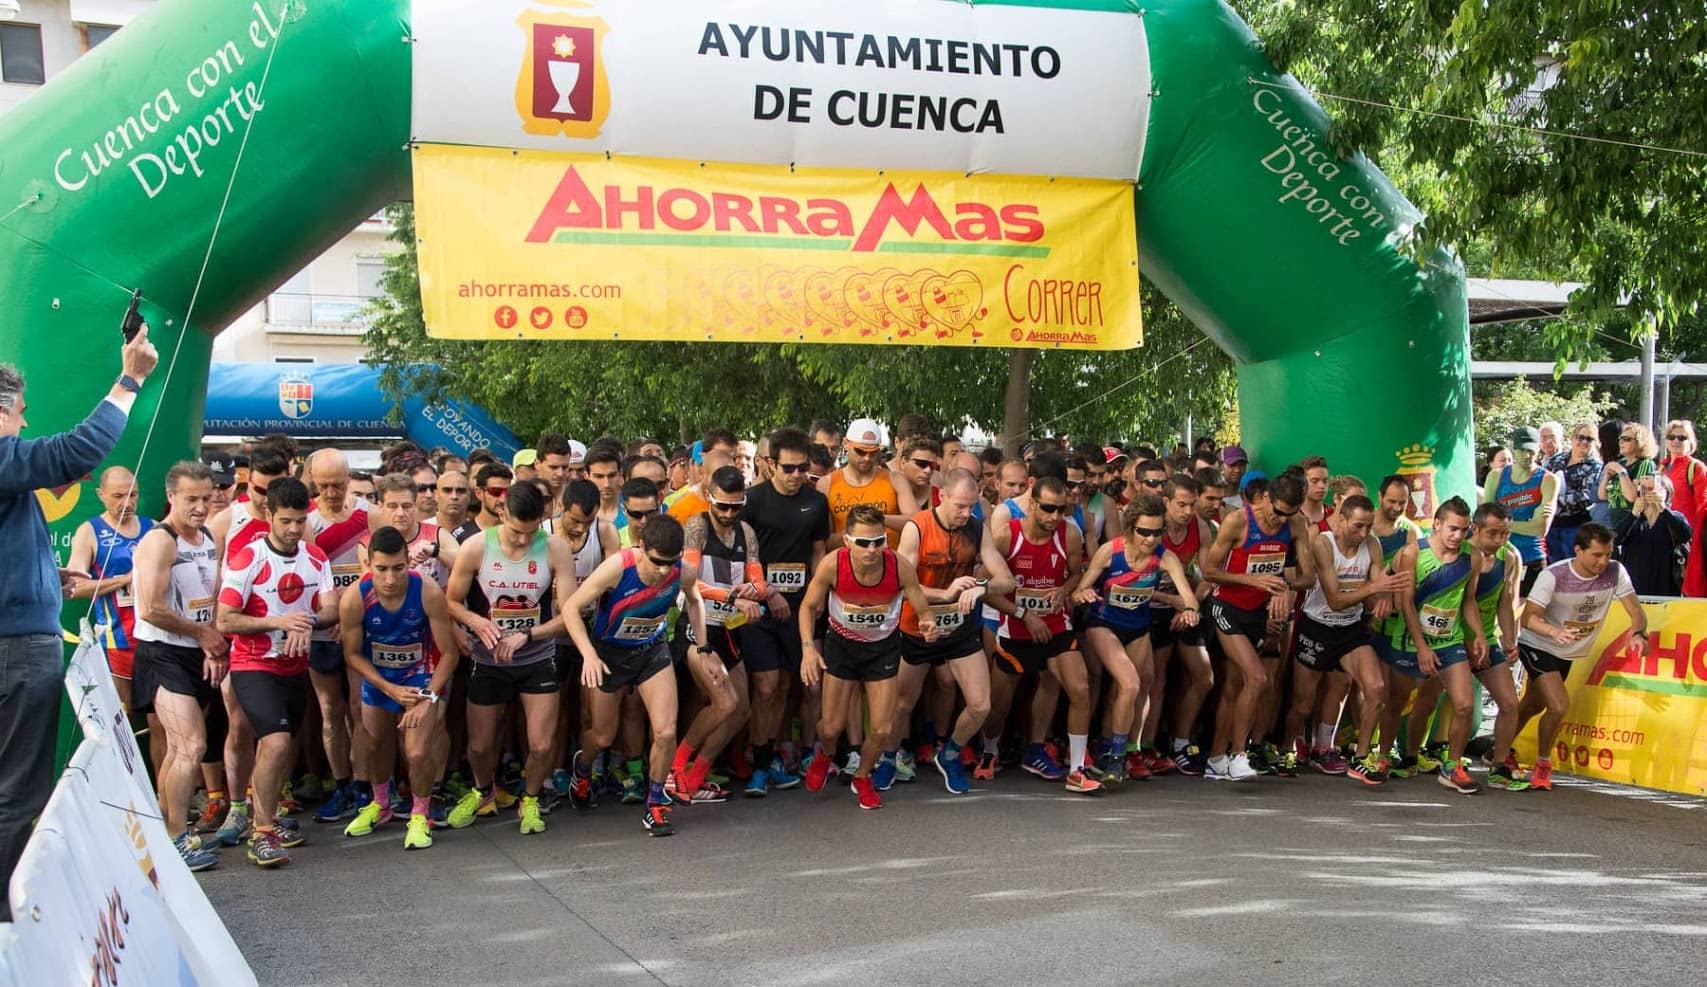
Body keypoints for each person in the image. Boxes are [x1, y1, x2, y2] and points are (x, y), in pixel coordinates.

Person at [0, 327, 157, 916]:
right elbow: (75, 452)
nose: (23, 426)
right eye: (20, 416)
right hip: (13, 646)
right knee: (18, 791)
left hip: (15, 633)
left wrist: (49, 576)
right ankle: (11, 925)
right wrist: (130, 379)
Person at [216, 477, 339, 867]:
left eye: (300, 521)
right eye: (285, 520)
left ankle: (265, 812)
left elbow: (332, 611)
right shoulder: (247, 558)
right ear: (268, 514)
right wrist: (278, 622)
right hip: (253, 664)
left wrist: (305, 623)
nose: (292, 529)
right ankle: (262, 832)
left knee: (284, 746)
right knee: (276, 741)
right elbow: (225, 620)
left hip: (295, 666)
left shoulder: (316, 558)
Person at [443, 482, 576, 835]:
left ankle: (530, 799)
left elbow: (570, 614)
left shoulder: (554, 548)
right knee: (481, 744)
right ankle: (482, 791)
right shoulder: (475, 547)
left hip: (536, 655)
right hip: (489, 660)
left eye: (530, 532)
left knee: (542, 742)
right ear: (502, 513)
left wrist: (528, 634)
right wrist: (474, 621)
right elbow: (451, 601)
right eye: (517, 531)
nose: (522, 540)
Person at [565, 514, 710, 836]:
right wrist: (588, 653)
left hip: (650, 651)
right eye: (657, 561)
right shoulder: (619, 567)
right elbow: (572, 607)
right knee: (602, 735)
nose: (663, 570)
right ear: (641, 546)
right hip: (608, 655)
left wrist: (704, 648)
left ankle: (655, 804)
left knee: (666, 733)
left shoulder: (681, 570)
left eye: (669, 563)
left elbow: (696, 601)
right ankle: (583, 769)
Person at [798, 505, 940, 810]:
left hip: (882, 649)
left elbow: (921, 604)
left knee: (882, 728)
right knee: (831, 727)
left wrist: (928, 621)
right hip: (843, 647)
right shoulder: (832, 564)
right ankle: (825, 754)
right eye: (864, 543)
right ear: (847, 541)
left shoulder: (899, 566)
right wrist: (809, 649)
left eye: (879, 542)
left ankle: (862, 776)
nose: (872, 549)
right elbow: (808, 607)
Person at [338, 526, 462, 850]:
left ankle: (420, 815)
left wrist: (428, 697)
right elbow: (351, 654)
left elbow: (449, 654)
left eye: (398, 568)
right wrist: (386, 688)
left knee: (418, 751)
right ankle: (381, 804)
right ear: (369, 565)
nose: (390, 579)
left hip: (420, 677)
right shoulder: (355, 597)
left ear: (409, 562)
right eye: (381, 569)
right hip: (379, 679)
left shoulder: (427, 591)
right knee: (376, 742)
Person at [891, 469, 1013, 794]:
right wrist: (944, 594)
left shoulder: (976, 527)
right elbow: (902, 584)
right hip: (918, 624)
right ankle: (888, 758)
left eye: (971, 506)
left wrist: (981, 587)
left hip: (957, 629)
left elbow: (1007, 580)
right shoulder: (917, 527)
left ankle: (951, 752)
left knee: (980, 705)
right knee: (903, 703)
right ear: (941, 496)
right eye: (960, 506)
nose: (966, 514)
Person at [130, 461, 226, 871]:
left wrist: (211, 641)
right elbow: (151, 608)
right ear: (171, 497)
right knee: (191, 746)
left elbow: (210, 597)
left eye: (206, 498)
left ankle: (168, 832)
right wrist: (203, 635)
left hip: (195, 652)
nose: (202, 507)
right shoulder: (160, 540)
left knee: (178, 748)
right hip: (162, 652)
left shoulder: (205, 537)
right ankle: (175, 837)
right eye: (192, 499)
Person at [985, 476, 1104, 794]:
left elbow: (1075, 574)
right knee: (999, 705)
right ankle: (990, 749)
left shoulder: (1070, 534)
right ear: (1032, 504)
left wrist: (1063, 590)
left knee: (1079, 687)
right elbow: (986, 591)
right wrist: (1024, 614)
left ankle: (1076, 769)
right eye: (1048, 509)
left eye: (1061, 510)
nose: (1054, 517)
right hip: (1016, 629)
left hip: (1056, 627)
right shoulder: (1006, 536)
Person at [1509, 524, 1647, 791]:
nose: (1603, 561)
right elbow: (1528, 618)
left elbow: (1637, 612)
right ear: (1578, 550)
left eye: (1607, 554)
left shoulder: (1615, 571)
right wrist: (1554, 631)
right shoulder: (1554, 575)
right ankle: (1543, 763)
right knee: (1559, 705)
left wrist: (1639, 633)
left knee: (1532, 705)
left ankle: (1498, 753)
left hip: (1566, 651)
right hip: (1538, 644)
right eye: (1596, 555)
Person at [1074, 495, 1200, 783]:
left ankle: (1108, 749)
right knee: (1130, 684)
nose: (1150, 539)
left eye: (1157, 532)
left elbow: (1188, 596)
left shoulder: (1164, 557)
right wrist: (1081, 594)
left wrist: (1191, 611)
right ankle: (1118, 757)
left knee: (1127, 691)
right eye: (1144, 532)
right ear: (1131, 528)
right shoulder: (1110, 551)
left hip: (1138, 628)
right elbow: (1079, 590)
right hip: (1104, 624)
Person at [1202, 473, 1317, 781]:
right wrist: (1252, 580)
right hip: (1226, 607)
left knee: (1235, 686)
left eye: (1289, 514)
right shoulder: (1238, 521)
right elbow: (1209, 571)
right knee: (1257, 677)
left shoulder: (1296, 526)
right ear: (1265, 497)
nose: (1280, 519)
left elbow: (1309, 577)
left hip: (1259, 613)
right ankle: (1240, 753)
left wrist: (1282, 585)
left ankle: (1215, 758)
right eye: (1277, 510)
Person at [1286, 495, 1406, 784]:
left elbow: (1378, 581)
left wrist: (1384, 596)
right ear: (1341, 520)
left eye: (1368, 526)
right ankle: (1283, 748)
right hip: (1317, 625)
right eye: (1357, 526)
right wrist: (1373, 589)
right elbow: (1336, 600)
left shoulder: (1372, 544)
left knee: (1375, 687)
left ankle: (1360, 757)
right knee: (1303, 702)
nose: (1363, 533)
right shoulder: (1323, 544)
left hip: (1351, 629)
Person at [738, 427, 829, 796]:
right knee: (766, 686)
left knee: (790, 685)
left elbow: (819, 551)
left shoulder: (815, 502)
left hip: (799, 608)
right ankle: (759, 766)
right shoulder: (752, 500)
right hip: (758, 606)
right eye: (788, 468)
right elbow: (743, 555)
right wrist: (766, 590)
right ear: (770, 464)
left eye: (802, 468)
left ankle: (776, 754)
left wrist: (816, 597)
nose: (796, 476)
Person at [673, 466, 762, 803]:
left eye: (735, 507)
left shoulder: (746, 533)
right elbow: (689, 581)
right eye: (721, 506)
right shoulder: (697, 526)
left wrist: (754, 593)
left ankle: (693, 778)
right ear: (709, 499)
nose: (727, 514)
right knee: (724, 703)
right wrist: (731, 596)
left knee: (740, 711)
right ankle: (675, 769)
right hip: (698, 625)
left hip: (728, 628)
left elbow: (758, 578)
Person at [66, 466, 153, 710]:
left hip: (155, 638)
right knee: (120, 718)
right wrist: (125, 580)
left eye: (133, 495)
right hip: (117, 641)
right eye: (118, 496)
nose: (127, 503)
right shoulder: (90, 531)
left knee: (161, 722)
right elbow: (75, 587)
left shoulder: (153, 528)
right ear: (100, 494)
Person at [1481, 427, 1557, 595]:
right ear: (1514, 448)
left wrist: (1499, 526)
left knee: (1526, 612)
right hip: (1499, 554)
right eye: (1522, 450)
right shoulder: (1496, 476)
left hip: (1532, 556)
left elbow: (1540, 528)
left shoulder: (1548, 480)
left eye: (1530, 450)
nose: (1526, 455)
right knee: (1495, 609)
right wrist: (1526, 523)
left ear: (1539, 448)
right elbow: (1484, 519)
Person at [1614, 475, 1690, 596]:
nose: (1650, 493)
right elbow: (1615, 539)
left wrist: (1664, 510)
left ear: (1666, 492)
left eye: (1654, 489)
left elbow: (1685, 535)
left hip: (1666, 585)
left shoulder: (1673, 516)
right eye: (1646, 489)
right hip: (1635, 586)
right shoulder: (1634, 518)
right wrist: (1633, 514)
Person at [1546, 422, 1603, 567]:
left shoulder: (1595, 467)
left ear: (1596, 443)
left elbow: (1586, 496)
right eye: (1580, 437)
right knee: (1554, 569)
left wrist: (1556, 500)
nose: (1583, 442)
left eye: (1589, 439)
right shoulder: (1556, 460)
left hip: (1576, 527)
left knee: (1574, 568)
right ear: (1572, 438)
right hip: (1551, 525)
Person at [1600, 421, 1656, 527]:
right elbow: (1602, 495)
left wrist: (1622, 473)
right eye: (1620, 438)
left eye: (1626, 439)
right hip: (1614, 524)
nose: (1621, 442)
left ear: (1640, 442)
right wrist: (1606, 477)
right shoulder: (1620, 463)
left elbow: (1632, 497)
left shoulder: (1644, 463)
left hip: (1634, 524)